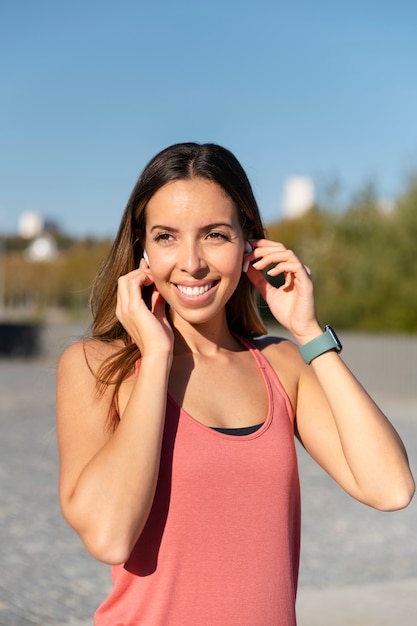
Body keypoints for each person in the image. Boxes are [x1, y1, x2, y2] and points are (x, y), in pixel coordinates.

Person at [56, 142, 414, 626]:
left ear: (249, 242)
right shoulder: (96, 367)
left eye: (215, 235)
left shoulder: (282, 365)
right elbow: (109, 536)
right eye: (166, 237)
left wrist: (308, 333)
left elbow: (390, 487)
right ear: (142, 248)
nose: (192, 262)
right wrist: (157, 355)